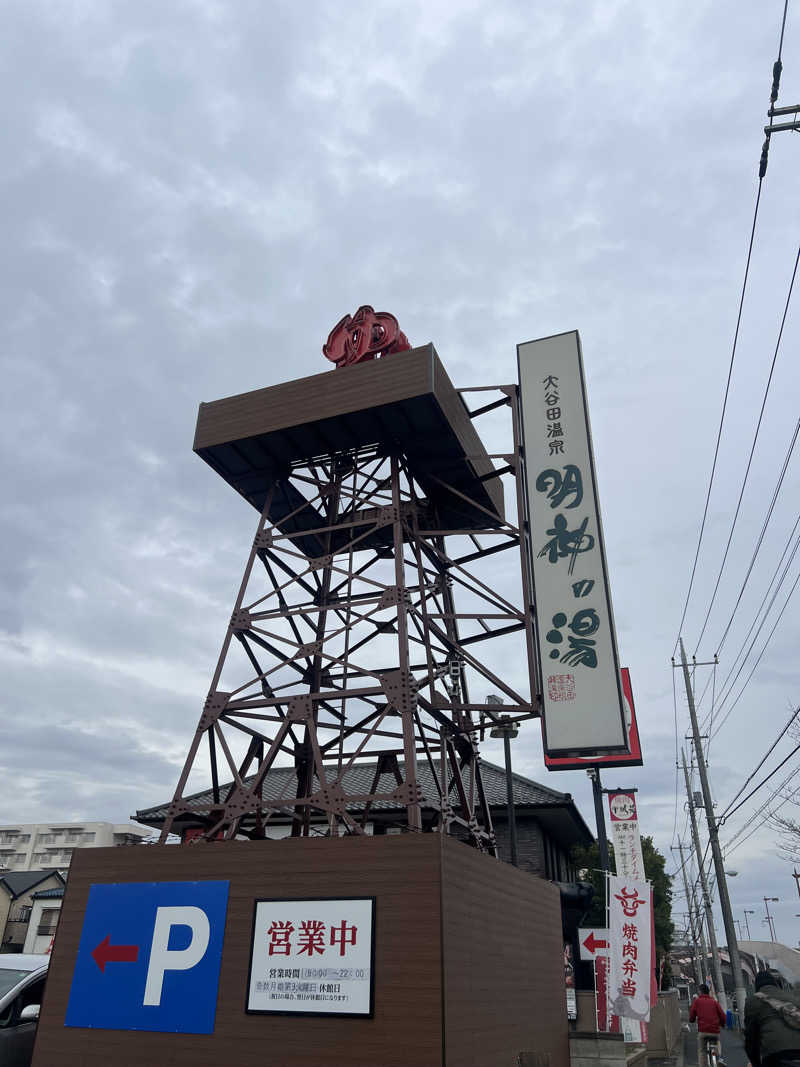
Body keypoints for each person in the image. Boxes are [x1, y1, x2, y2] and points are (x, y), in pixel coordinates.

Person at [744, 970, 800, 1067]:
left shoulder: (752, 1000)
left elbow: (751, 1039)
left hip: (775, 1055)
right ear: (775, 984)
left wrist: (756, 1063)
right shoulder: (792, 998)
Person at [690, 983, 726, 1067]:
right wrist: (722, 1024)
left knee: (702, 1051)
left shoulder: (697, 1001)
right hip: (714, 1031)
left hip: (703, 1032)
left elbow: (692, 1016)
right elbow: (722, 1015)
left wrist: (692, 1020)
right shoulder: (714, 1001)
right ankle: (719, 1058)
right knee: (717, 1042)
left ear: (700, 992)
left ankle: (703, 1065)